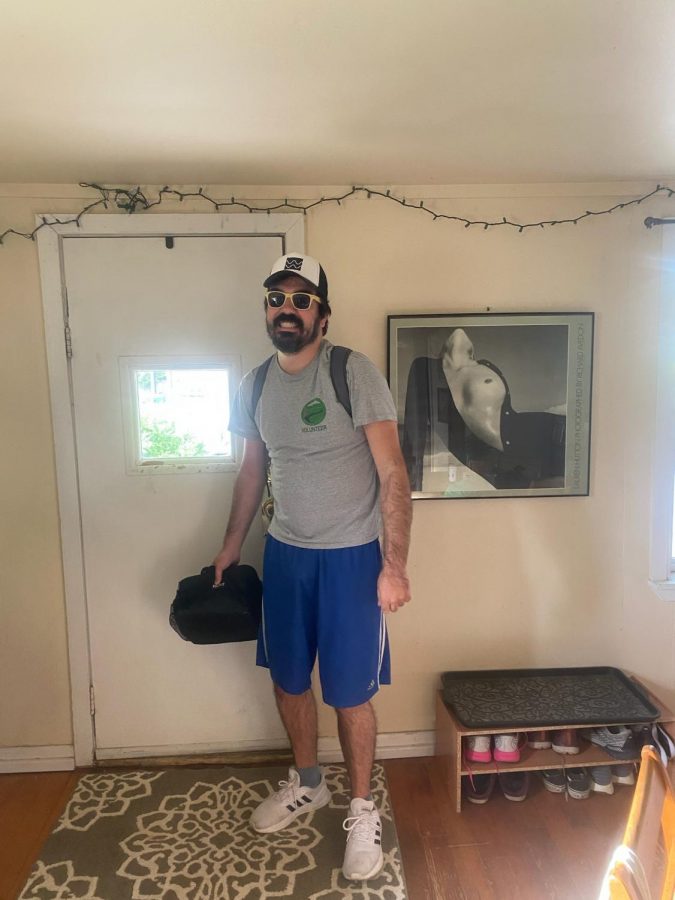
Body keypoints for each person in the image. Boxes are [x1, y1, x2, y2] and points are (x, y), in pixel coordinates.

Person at [213, 252, 412, 881]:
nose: (287, 309)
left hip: (354, 560)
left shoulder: (352, 371)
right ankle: (307, 783)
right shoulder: (254, 386)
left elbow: (393, 473)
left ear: (322, 313)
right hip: (287, 555)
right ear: (266, 309)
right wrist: (231, 545)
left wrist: (394, 564)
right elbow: (252, 472)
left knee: (350, 692)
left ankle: (360, 808)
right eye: (277, 298)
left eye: (302, 299)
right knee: (289, 680)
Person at [402, 327, 566, 491]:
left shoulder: (484, 364)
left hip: (545, 431)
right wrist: (410, 488)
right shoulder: (424, 369)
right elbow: (413, 437)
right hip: (522, 459)